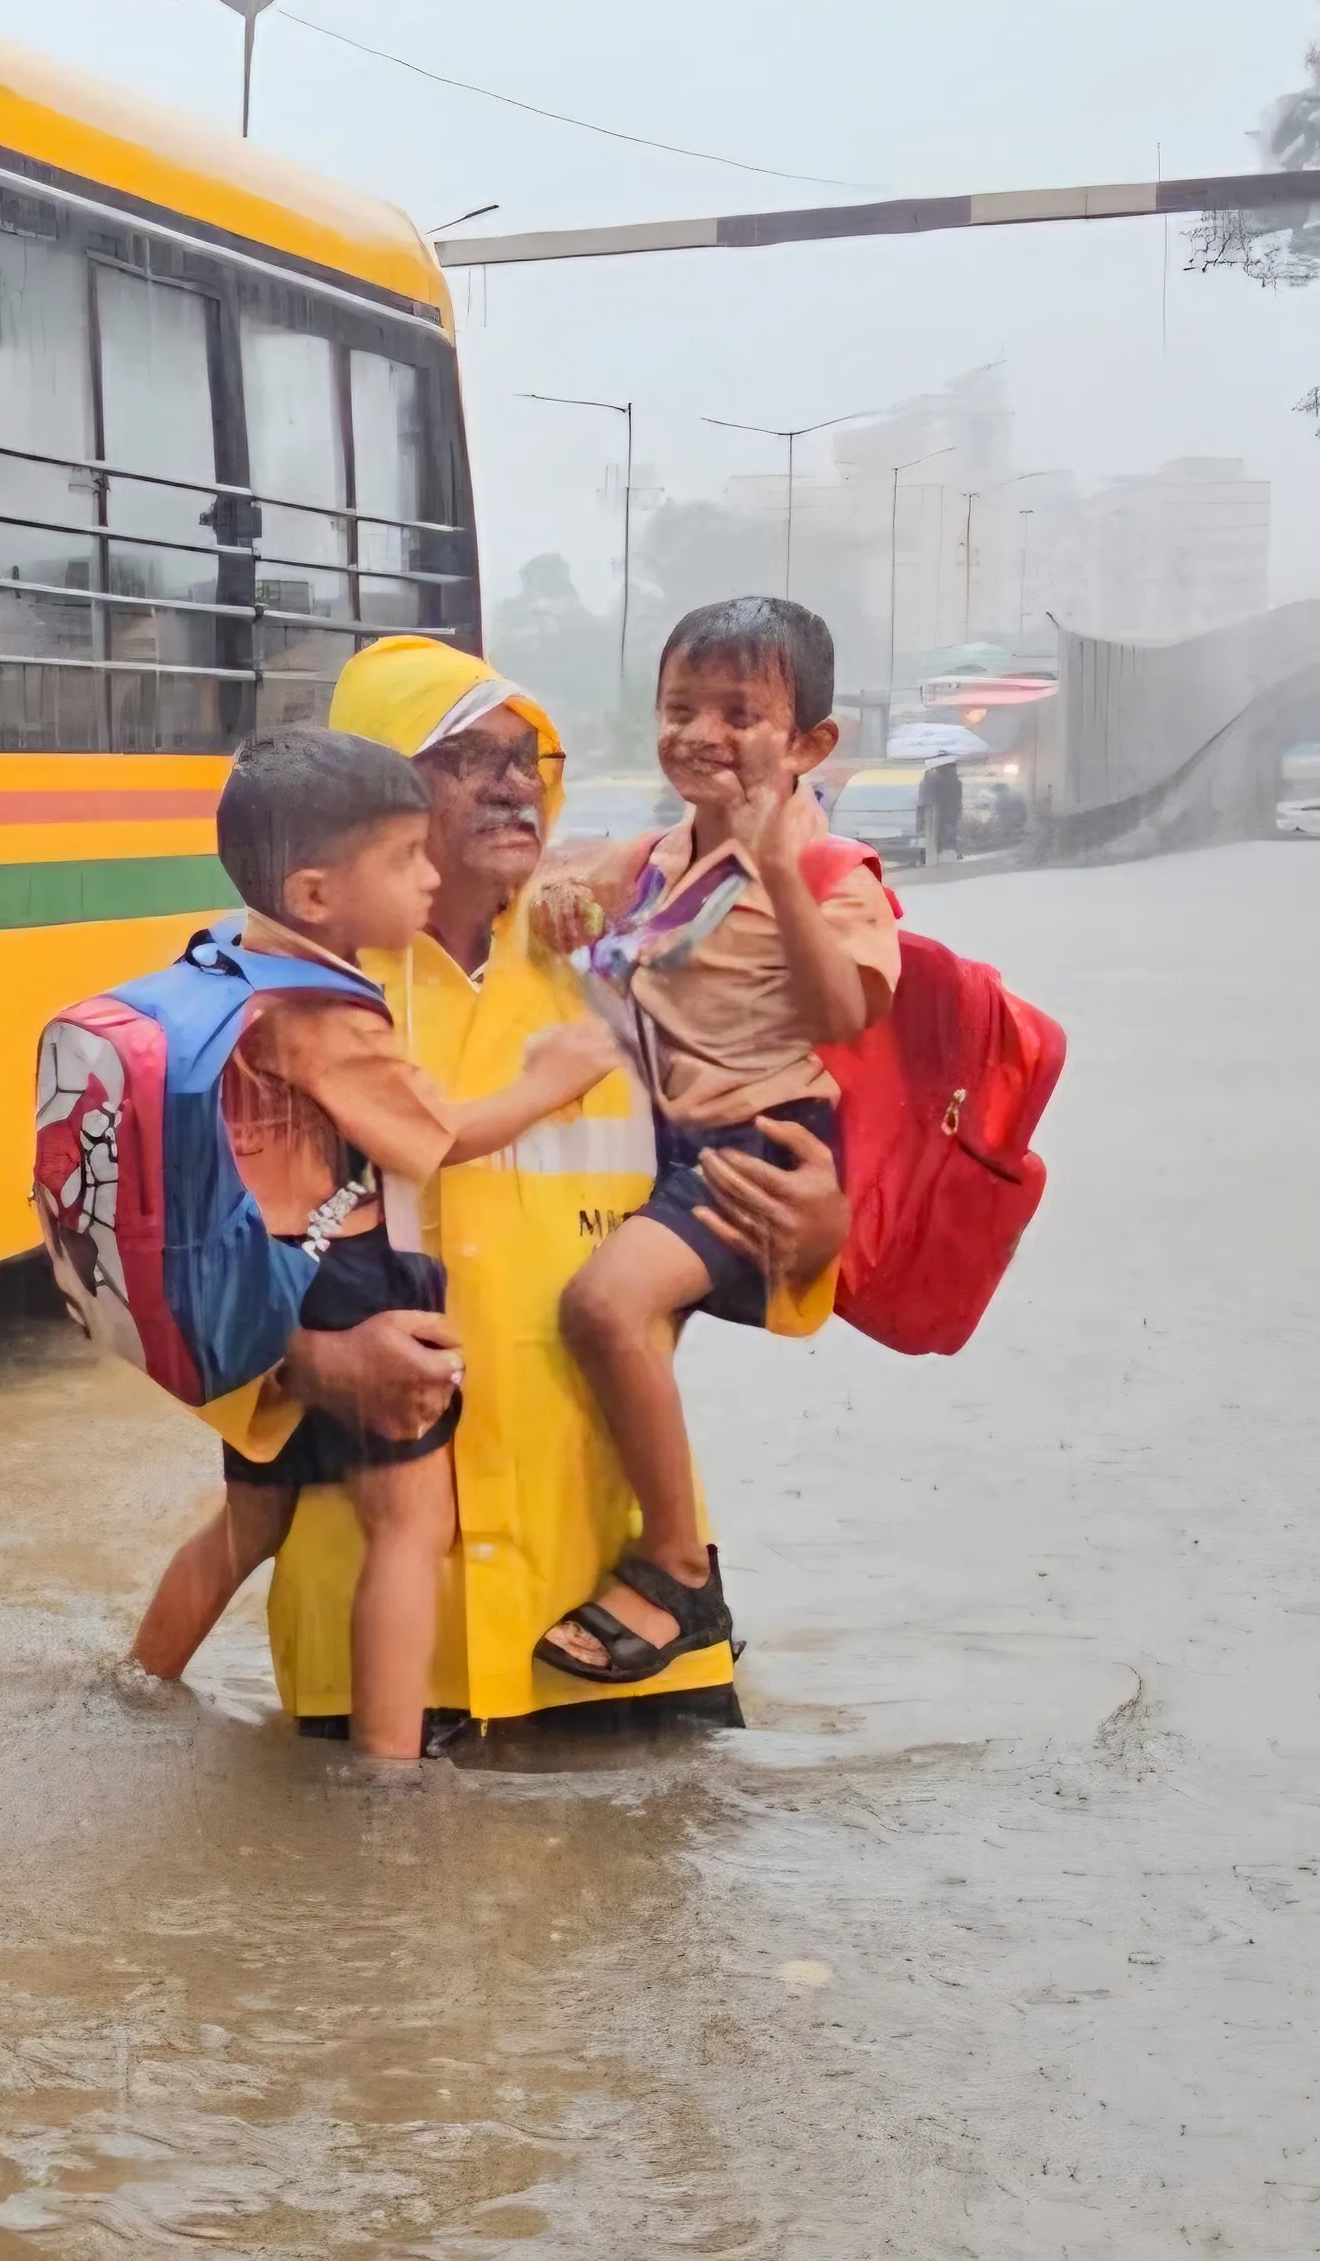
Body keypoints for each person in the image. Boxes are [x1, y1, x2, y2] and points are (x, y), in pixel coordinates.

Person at [134, 636, 849, 1735]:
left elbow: (775, 1115)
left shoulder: (616, 957)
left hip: (612, 1628)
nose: (514, 784)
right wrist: (311, 1364)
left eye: (527, 756)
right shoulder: (269, 997)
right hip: (378, 1660)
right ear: (372, 787)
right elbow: (145, 1263)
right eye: (466, 756)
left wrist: (817, 1230)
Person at [126, 729, 620, 1765]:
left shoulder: (231, 961)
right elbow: (434, 1141)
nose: (430, 873)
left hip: (269, 1272)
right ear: (314, 894)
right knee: (409, 1524)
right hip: (347, 1279)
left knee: (248, 1523)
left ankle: (137, 1680)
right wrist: (549, 1081)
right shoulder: (329, 1016)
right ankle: (387, 1773)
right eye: (405, 858)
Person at [531, 599, 898, 1687]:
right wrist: (556, 901)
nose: (698, 733)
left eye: (737, 712)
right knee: (616, 1353)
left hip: (760, 1144)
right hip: (663, 1136)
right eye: (677, 706)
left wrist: (776, 868)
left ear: (809, 744)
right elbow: (549, 896)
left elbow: (840, 1016)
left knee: (598, 1309)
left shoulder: (836, 873)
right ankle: (620, 1563)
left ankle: (680, 1571)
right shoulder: (647, 860)